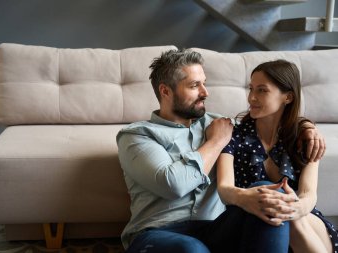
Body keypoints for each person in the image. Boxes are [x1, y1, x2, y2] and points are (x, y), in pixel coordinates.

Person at [116, 49, 325, 253]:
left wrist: (306, 127)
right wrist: (216, 141)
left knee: (266, 194)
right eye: (194, 85)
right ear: (165, 91)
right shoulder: (138, 136)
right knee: (192, 248)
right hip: (157, 232)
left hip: (215, 229)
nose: (205, 92)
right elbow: (173, 185)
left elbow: (269, 120)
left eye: (204, 83)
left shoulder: (222, 124)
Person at [217, 59, 337, 253]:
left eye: (262, 90)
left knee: (290, 215)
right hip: (258, 223)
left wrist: (295, 209)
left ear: (287, 97)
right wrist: (246, 197)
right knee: (280, 209)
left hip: (307, 220)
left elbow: (308, 194)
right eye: (251, 89)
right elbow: (224, 188)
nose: (251, 98)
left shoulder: (304, 137)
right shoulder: (235, 135)